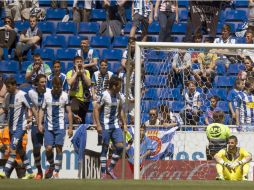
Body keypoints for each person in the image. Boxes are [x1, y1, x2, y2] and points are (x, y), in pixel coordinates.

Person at [0, 77, 36, 179]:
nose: (7, 89)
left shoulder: (22, 95)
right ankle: (30, 172)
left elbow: (32, 107)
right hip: (11, 127)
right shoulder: (8, 96)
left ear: (15, 85)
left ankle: (4, 172)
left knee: (12, 149)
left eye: (9, 87)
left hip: (20, 128)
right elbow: (3, 108)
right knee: (20, 151)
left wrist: (35, 120)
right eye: (6, 87)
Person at [38, 76, 73, 179]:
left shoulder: (65, 96)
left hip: (60, 127)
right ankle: (52, 165)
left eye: (59, 87)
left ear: (61, 86)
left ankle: (56, 172)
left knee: (58, 148)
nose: (57, 89)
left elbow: (69, 112)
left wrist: (70, 127)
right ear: (52, 86)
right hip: (48, 127)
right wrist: (39, 123)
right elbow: (42, 110)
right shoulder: (46, 95)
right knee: (48, 149)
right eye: (55, 87)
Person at [94, 76, 127, 179]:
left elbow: (120, 110)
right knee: (105, 149)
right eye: (119, 86)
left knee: (120, 147)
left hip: (115, 125)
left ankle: (110, 168)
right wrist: (98, 125)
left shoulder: (120, 96)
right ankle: (103, 172)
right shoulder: (104, 95)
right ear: (114, 86)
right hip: (105, 126)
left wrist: (124, 123)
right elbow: (96, 109)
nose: (120, 88)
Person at [28, 74, 50, 179]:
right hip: (35, 123)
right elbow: (33, 109)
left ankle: (50, 169)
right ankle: (39, 171)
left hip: (48, 123)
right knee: (36, 148)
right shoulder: (31, 93)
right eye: (41, 82)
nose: (44, 84)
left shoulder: (49, 92)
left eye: (45, 82)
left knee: (49, 147)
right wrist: (38, 123)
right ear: (37, 83)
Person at [66, 56, 91, 124]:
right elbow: (69, 83)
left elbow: (89, 83)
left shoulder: (87, 72)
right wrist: (76, 73)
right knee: (75, 112)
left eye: (80, 62)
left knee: (82, 119)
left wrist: (82, 73)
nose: (79, 63)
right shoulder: (70, 72)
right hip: (74, 97)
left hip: (85, 98)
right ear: (74, 63)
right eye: (77, 62)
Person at [91, 59, 113, 124]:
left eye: (105, 65)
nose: (104, 66)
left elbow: (111, 86)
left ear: (107, 66)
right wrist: (93, 95)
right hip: (97, 95)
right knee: (95, 108)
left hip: (106, 96)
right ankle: (95, 124)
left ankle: (104, 124)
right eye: (102, 65)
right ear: (99, 66)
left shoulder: (111, 74)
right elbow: (92, 85)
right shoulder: (95, 74)